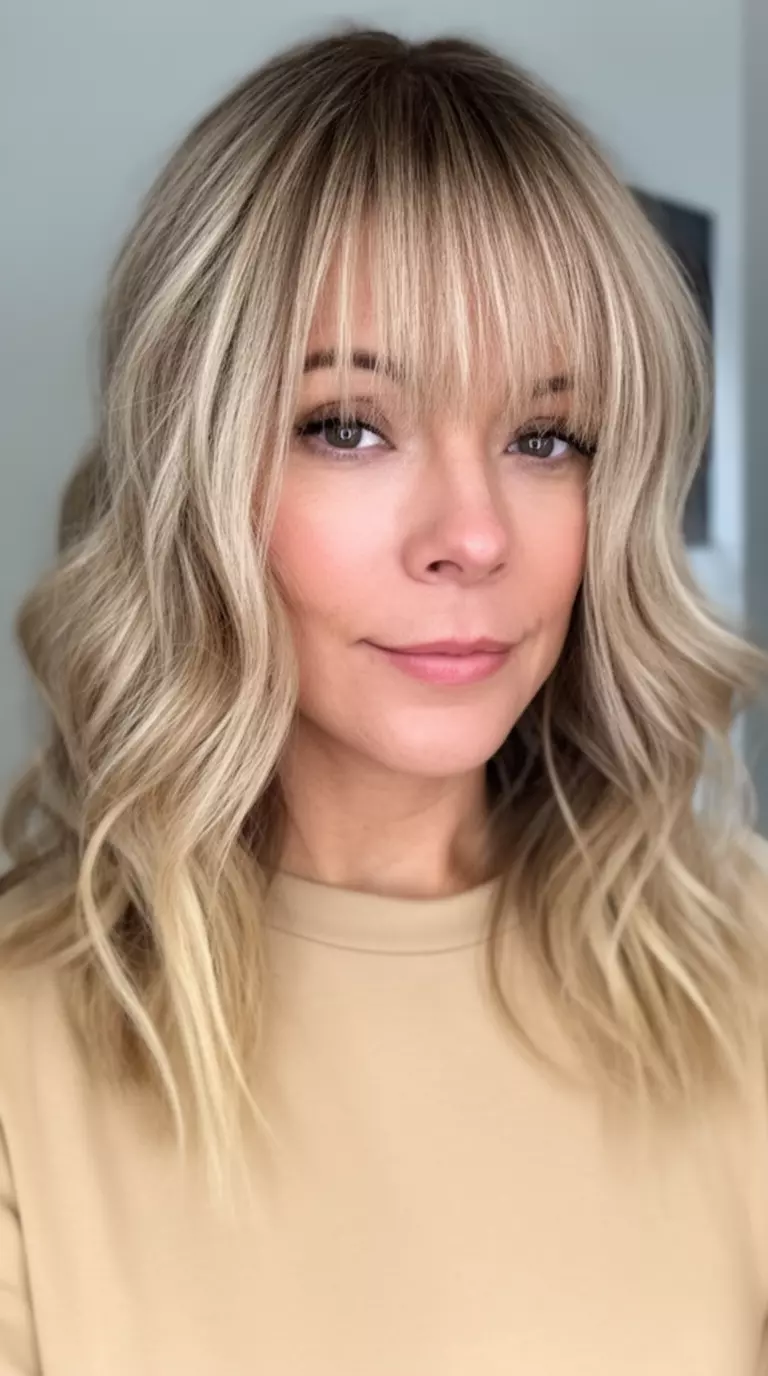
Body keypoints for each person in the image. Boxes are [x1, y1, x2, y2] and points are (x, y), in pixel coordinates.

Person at [2, 23, 768, 1375]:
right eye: (350, 424)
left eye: (546, 438)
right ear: (199, 467)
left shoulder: (748, 972)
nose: (473, 534)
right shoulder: (22, 1056)